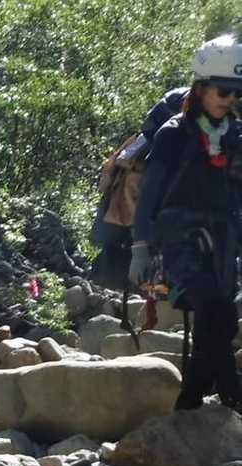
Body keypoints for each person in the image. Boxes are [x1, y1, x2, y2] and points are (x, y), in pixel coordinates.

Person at [131, 35, 242, 410]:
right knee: (213, 309)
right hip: (179, 239)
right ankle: (232, 391)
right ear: (201, 87)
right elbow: (150, 195)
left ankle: (190, 399)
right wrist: (140, 247)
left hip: (224, 238)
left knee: (220, 321)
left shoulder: (236, 134)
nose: (230, 99)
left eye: (237, 92)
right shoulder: (173, 134)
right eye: (223, 90)